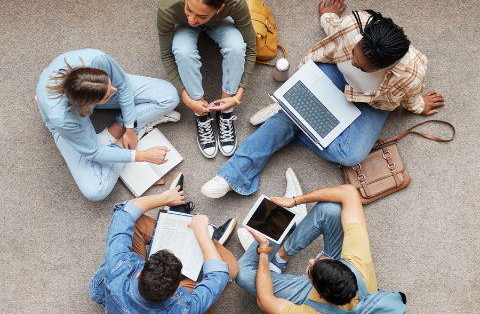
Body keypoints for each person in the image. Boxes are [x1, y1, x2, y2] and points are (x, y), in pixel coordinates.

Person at [200, 0, 445, 198]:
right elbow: (334, 30)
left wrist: (418, 105)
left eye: (360, 65)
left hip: (372, 101)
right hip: (332, 73)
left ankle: (289, 114)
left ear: (385, 66)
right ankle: (232, 173)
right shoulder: (356, 25)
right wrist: (328, 16)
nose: (352, 62)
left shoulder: (411, 75)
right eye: (354, 54)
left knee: (350, 155)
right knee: (300, 119)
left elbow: (409, 96)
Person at [36, 49, 180, 201]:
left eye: (109, 84)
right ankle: (120, 140)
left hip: (89, 96)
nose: (115, 90)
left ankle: (118, 130)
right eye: (108, 94)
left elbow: (122, 84)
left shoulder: (96, 59)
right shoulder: (62, 119)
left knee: (170, 96)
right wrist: (142, 156)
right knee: (96, 191)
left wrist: (130, 127)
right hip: (69, 117)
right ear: (87, 106)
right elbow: (93, 152)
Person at [89, 177, 239, 314]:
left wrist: (165, 197)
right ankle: (206, 239)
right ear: (175, 292)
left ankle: (177, 223)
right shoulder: (184, 309)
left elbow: (124, 213)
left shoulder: (118, 269)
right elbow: (219, 275)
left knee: (137, 223)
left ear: (139, 275)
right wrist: (202, 234)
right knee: (230, 266)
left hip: (112, 300)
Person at [235, 184, 380, 314]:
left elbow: (264, 301)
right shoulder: (359, 261)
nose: (310, 260)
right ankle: (280, 257)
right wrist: (295, 201)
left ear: (318, 295)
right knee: (331, 210)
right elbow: (349, 192)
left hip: (321, 305)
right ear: (345, 265)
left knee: (243, 274)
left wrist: (264, 248)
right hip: (340, 290)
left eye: (309, 269)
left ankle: (276, 229)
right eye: (319, 258)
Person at [157, 0, 256, 158]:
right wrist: (188, 100)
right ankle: (200, 111)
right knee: (183, 53)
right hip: (182, 27)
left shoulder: (235, 2)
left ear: (220, 8)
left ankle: (226, 109)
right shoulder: (169, 8)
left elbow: (251, 47)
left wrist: (237, 96)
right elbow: (167, 55)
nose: (193, 19)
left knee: (237, 48)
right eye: (189, 9)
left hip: (220, 21)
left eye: (201, 16)